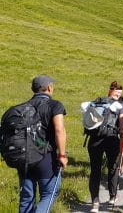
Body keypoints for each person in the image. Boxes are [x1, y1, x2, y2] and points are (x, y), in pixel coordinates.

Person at [16, 75, 68, 213]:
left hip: (24, 157)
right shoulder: (55, 105)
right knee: (49, 193)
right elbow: (59, 129)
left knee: (26, 198)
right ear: (49, 88)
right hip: (44, 157)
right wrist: (62, 155)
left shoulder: (23, 107)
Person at [86, 81, 123, 213]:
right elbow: (121, 126)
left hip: (94, 139)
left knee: (95, 170)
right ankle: (113, 196)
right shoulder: (119, 106)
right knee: (113, 167)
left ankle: (95, 202)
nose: (118, 95)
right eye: (118, 93)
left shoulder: (95, 102)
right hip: (111, 139)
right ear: (113, 91)